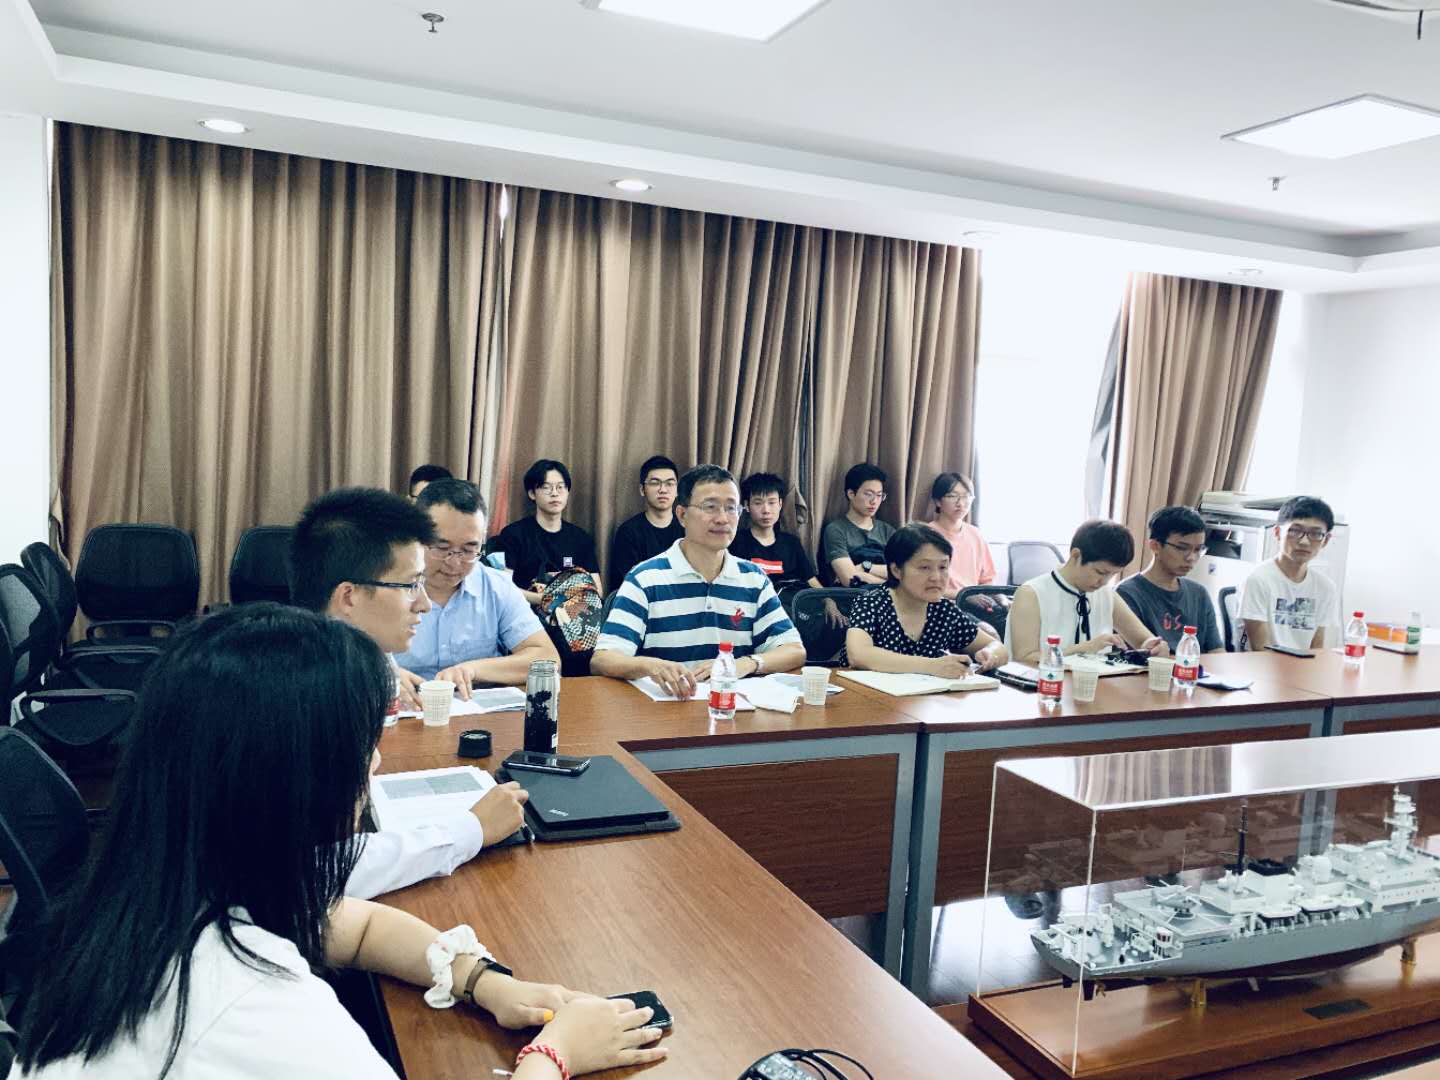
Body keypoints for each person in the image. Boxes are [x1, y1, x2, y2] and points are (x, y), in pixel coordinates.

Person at [10, 604, 667, 1079]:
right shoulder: (256, 1006)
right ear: (296, 782)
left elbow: (353, 925)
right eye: (361, 748)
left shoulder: (154, 891)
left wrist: (482, 981)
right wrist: (555, 1055)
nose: (374, 764)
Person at [290, 486, 530, 900]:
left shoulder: (366, 662)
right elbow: (312, 874)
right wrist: (471, 829)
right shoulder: (298, 692)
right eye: (410, 585)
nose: (424, 604)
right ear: (349, 596)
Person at [591, 464, 807, 699]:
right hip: (664, 709)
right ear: (682, 515)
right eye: (710, 507)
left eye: (731, 508)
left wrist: (745, 664)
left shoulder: (754, 579)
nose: (723, 518)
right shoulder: (645, 578)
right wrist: (651, 666)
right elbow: (603, 659)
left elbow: (794, 650)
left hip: (730, 709)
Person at [395, 478, 560, 691]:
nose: (454, 563)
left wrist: (472, 670)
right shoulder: (384, 585)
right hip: (405, 706)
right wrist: (387, 676)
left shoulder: (496, 587)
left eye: (468, 550)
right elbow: (353, 659)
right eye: (442, 547)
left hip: (477, 706)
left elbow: (548, 660)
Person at [845, 525, 1009, 675]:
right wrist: (932, 666)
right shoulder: (871, 603)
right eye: (924, 567)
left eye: (943, 567)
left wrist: (990, 654)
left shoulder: (943, 610)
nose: (936, 577)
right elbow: (859, 655)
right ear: (896, 570)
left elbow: (998, 647)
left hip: (926, 697)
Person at [1005, 519, 1168, 665]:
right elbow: (1024, 658)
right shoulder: (1031, 593)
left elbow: (1144, 640)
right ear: (1076, 555)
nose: (1105, 582)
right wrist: (1083, 649)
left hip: (1095, 685)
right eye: (1100, 572)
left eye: (1113, 574)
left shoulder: (1106, 594)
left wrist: (1153, 647)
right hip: (1042, 685)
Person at [494, 459, 602, 608]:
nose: (555, 493)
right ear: (532, 493)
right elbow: (503, 588)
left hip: (570, 617)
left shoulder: (581, 539)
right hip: (524, 613)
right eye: (546, 487)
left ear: (568, 492)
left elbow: (597, 591)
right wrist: (545, 600)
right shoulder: (513, 535)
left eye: (560, 487)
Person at [1241, 495, 1342, 652]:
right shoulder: (1258, 579)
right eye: (1295, 531)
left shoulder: (1326, 587)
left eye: (1315, 534)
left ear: (1326, 540)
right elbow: (1260, 649)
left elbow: (1316, 649)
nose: (1304, 542)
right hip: (1262, 664)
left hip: (1303, 665)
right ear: (1277, 533)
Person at [1117, 505, 1224, 653]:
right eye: (1182, 548)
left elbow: (1216, 651)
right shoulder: (1127, 593)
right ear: (1155, 546)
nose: (1191, 557)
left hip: (1194, 667)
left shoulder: (1199, 593)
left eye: (1198, 549)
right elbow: (1130, 657)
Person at [730, 472, 822, 593]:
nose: (766, 510)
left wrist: (828, 600)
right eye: (758, 503)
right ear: (747, 506)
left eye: (772, 502)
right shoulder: (736, 541)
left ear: (780, 504)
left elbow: (811, 580)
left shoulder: (791, 543)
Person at [607, 455, 685, 593]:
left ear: (677, 490)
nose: (663, 489)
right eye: (655, 483)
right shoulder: (628, 532)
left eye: (669, 483)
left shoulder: (688, 529)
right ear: (642, 490)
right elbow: (631, 583)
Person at [821, 463, 895, 587]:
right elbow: (850, 580)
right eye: (868, 494)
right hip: (853, 596)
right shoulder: (836, 529)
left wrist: (866, 567)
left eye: (879, 495)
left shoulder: (888, 531)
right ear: (851, 494)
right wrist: (891, 583)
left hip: (888, 597)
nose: (874, 501)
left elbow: (903, 574)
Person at [926, 472, 997, 601]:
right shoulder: (926, 534)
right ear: (938, 501)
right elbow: (921, 584)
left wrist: (999, 599)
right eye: (952, 496)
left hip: (976, 602)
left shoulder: (975, 534)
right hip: (942, 603)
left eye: (966, 496)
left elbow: (987, 579)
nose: (960, 503)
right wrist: (964, 596)